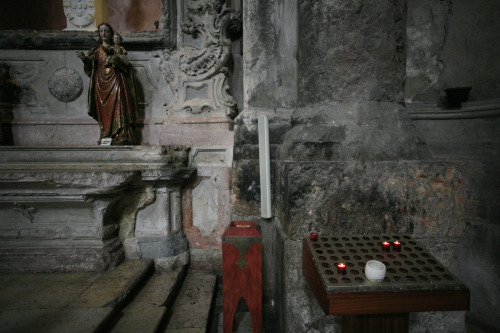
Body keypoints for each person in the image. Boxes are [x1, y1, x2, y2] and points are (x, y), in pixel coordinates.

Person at [76, 23, 138, 145]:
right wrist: (84, 59)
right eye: (101, 31)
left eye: (106, 31)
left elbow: (127, 66)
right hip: (101, 83)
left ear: (111, 33)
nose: (103, 33)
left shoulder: (116, 48)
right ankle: (106, 135)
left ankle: (122, 134)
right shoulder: (96, 51)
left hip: (116, 79)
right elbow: (90, 67)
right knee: (104, 109)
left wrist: (116, 61)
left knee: (120, 103)